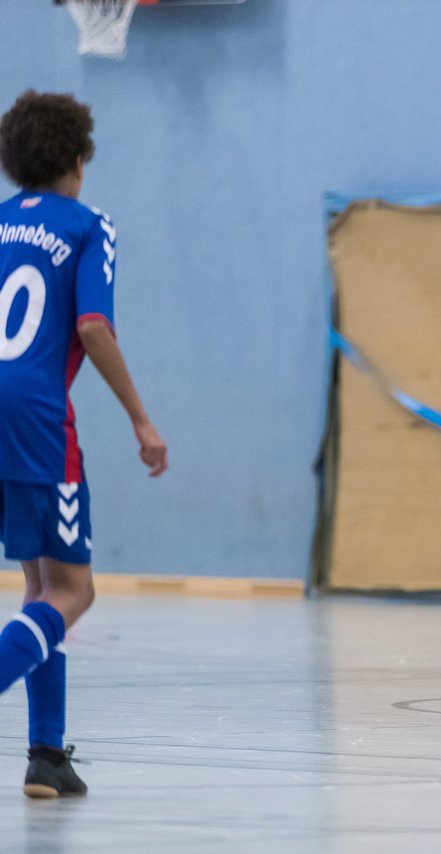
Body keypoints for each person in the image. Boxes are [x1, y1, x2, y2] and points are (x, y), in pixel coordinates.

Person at [0, 90, 168, 797]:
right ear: (77, 161)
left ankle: (46, 755)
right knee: (76, 590)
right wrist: (141, 418)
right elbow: (94, 328)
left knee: (40, 587)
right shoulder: (88, 225)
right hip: (36, 415)